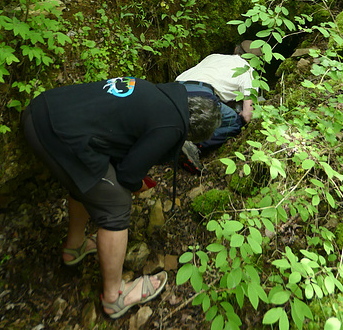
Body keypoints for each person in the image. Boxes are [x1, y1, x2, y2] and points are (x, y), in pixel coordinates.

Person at [22, 76, 221, 319]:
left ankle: (74, 249)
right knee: (116, 204)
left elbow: (117, 135)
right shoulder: (172, 126)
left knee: (90, 181)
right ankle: (114, 298)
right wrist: (137, 185)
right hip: (56, 135)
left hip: (43, 110)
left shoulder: (155, 91)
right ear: (193, 133)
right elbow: (127, 175)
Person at [175, 40, 262, 163]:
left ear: (236, 50)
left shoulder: (214, 56)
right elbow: (248, 115)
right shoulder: (248, 71)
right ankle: (195, 143)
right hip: (202, 93)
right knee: (235, 122)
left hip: (176, 88)